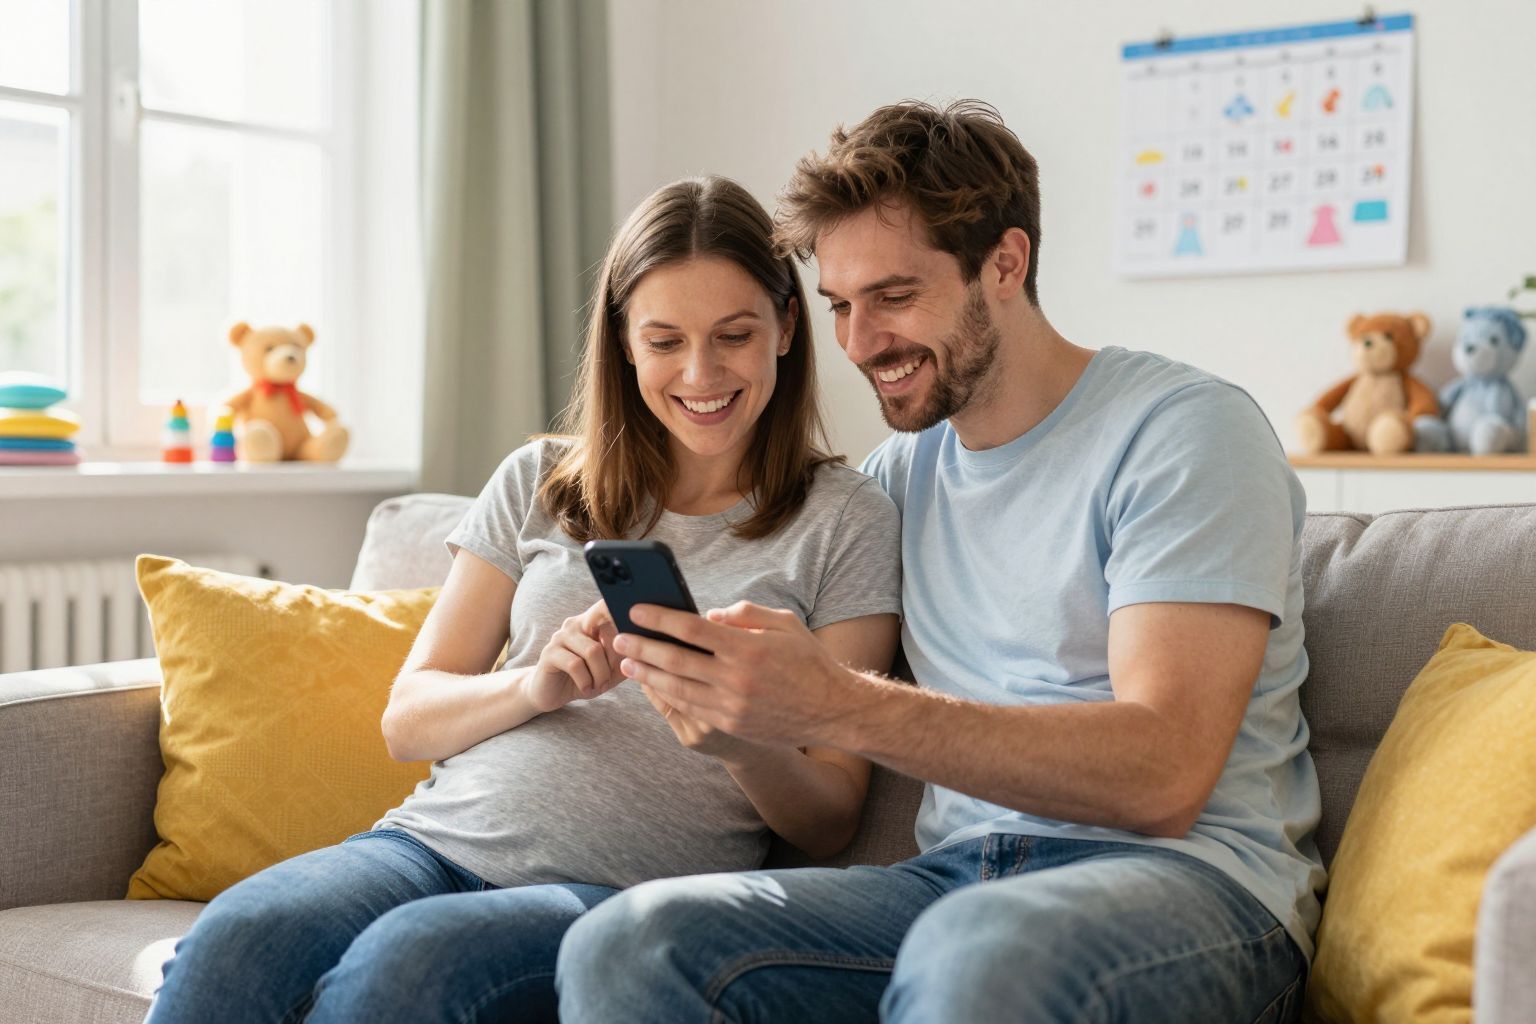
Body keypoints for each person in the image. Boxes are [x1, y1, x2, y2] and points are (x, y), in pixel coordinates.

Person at [556, 100, 1326, 1023]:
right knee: (632, 942)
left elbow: (1162, 777)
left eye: (893, 296)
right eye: (839, 306)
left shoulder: (1185, 433)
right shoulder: (898, 479)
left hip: (1191, 889)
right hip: (953, 885)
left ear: (1006, 263)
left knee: (979, 955)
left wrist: (840, 700)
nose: (858, 344)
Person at [144, 176, 901, 1024]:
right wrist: (535, 684)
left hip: (616, 895)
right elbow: (409, 718)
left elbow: (832, 819)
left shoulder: (846, 519)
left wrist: (740, 743)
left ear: (787, 330)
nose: (700, 373)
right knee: (238, 935)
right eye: (664, 340)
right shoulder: (540, 481)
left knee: (410, 967)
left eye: (734, 336)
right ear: (621, 341)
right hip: (427, 845)